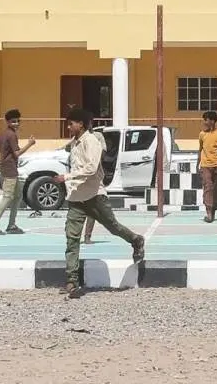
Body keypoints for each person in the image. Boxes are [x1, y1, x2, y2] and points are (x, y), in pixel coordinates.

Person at [57, 108, 144, 299]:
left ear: (81, 124)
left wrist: (67, 176)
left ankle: (136, 240)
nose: (69, 126)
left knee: (113, 227)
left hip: (94, 195)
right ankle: (72, 281)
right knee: (72, 239)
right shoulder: (75, 143)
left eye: (71, 123)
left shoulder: (92, 141)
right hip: (76, 198)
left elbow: (90, 168)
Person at [0, 109, 36, 235]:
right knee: (8, 197)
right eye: (13, 121)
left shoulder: (3, 134)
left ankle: (11, 225)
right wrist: (30, 144)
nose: (16, 123)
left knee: (17, 196)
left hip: (6, 167)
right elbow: (17, 153)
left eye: (18, 121)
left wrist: (4, 154)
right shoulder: (12, 135)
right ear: (8, 122)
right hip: (10, 169)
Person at [197, 109, 217, 223]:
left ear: (213, 121)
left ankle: (213, 212)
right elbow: (200, 150)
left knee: (215, 189)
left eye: (207, 120)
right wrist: (197, 163)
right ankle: (209, 213)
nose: (205, 122)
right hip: (206, 166)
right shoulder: (202, 134)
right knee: (207, 188)